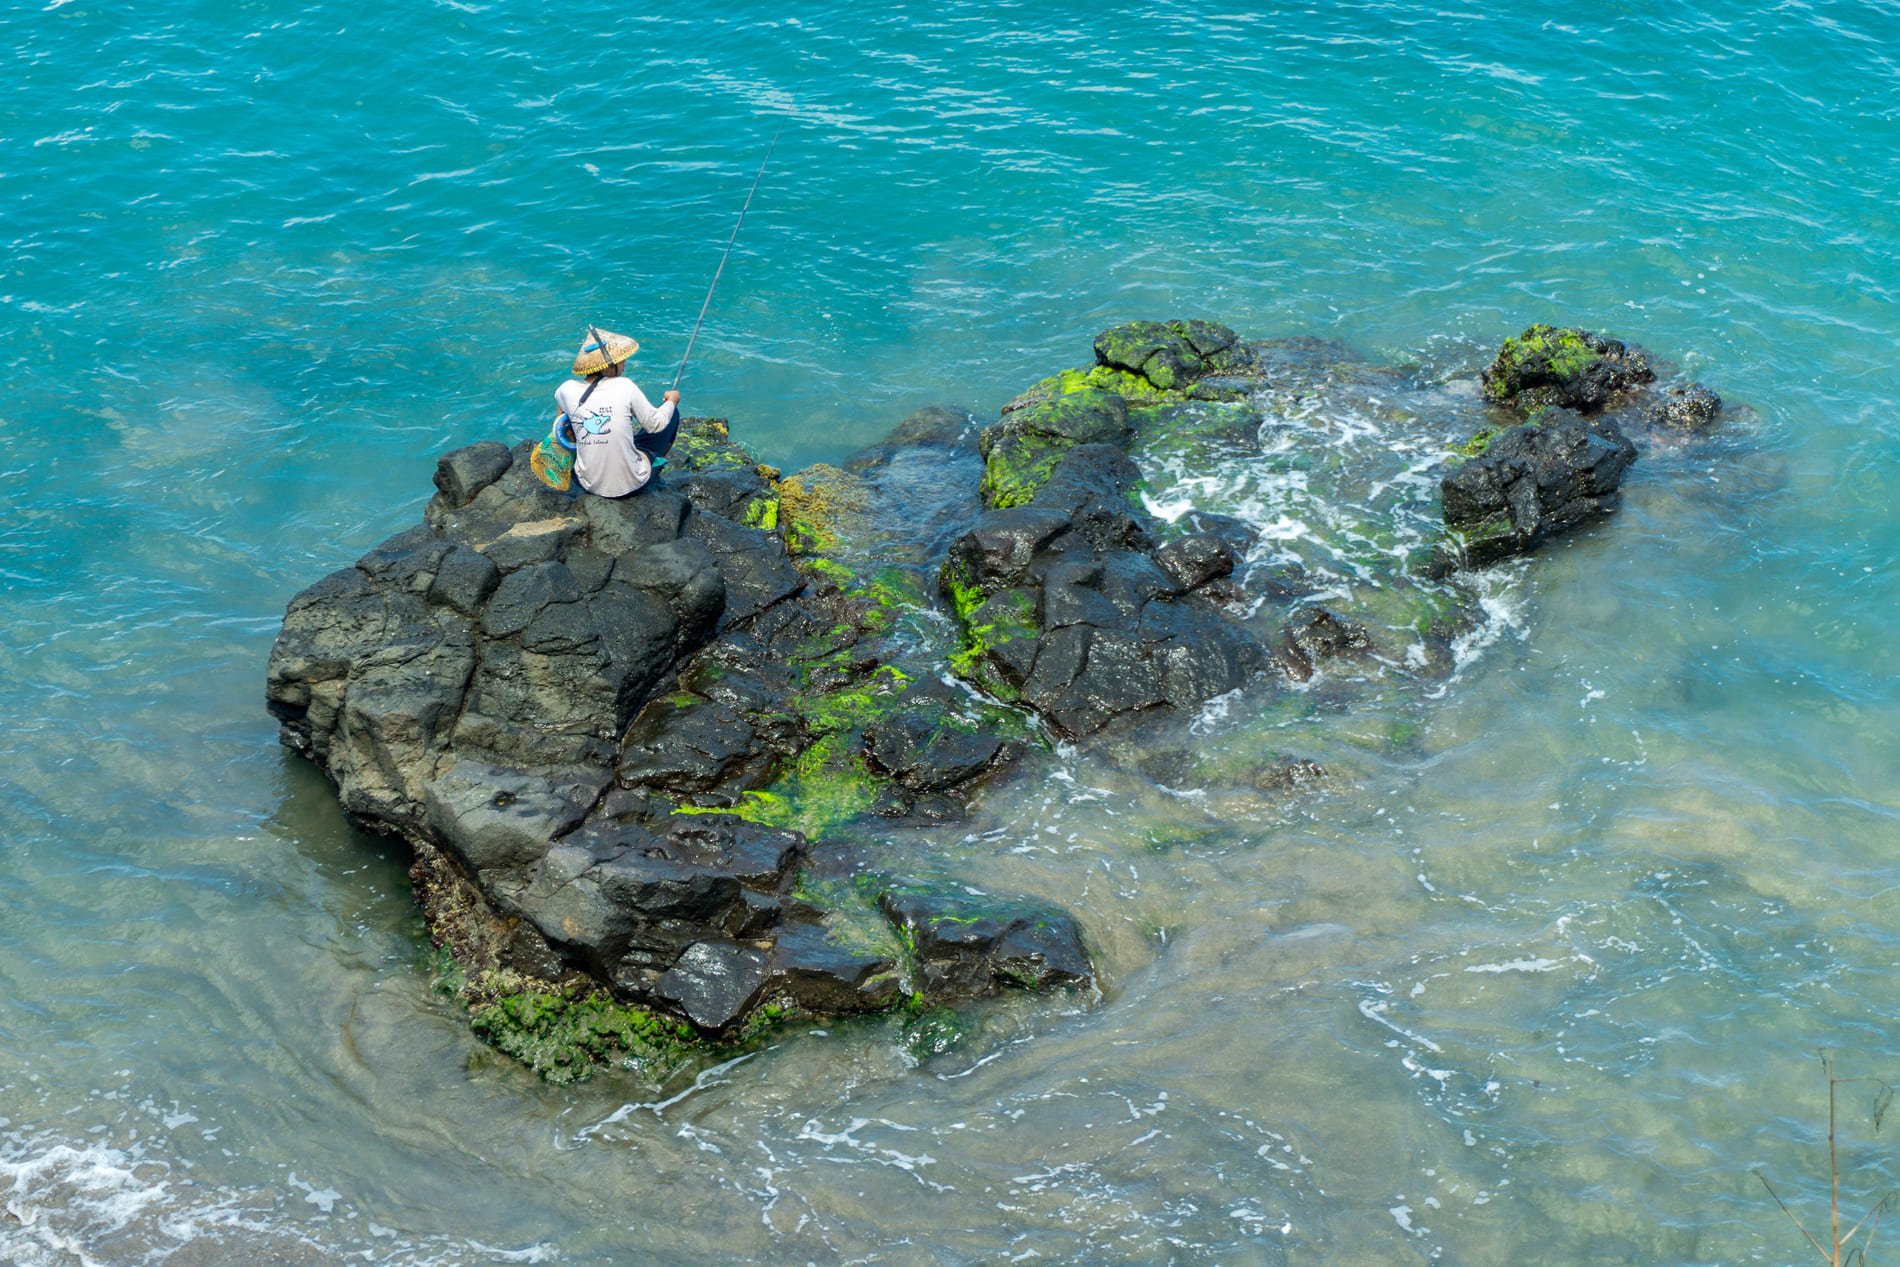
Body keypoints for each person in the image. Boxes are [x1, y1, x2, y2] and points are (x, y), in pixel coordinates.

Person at [555, 325, 681, 498]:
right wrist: (672, 400)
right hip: (632, 486)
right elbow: (655, 425)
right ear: (606, 367)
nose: (624, 363)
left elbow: (560, 415)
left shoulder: (565, 389)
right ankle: (652, 471)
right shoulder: (625, 385)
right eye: (621, 360)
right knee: (671, 415)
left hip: (588, 484)